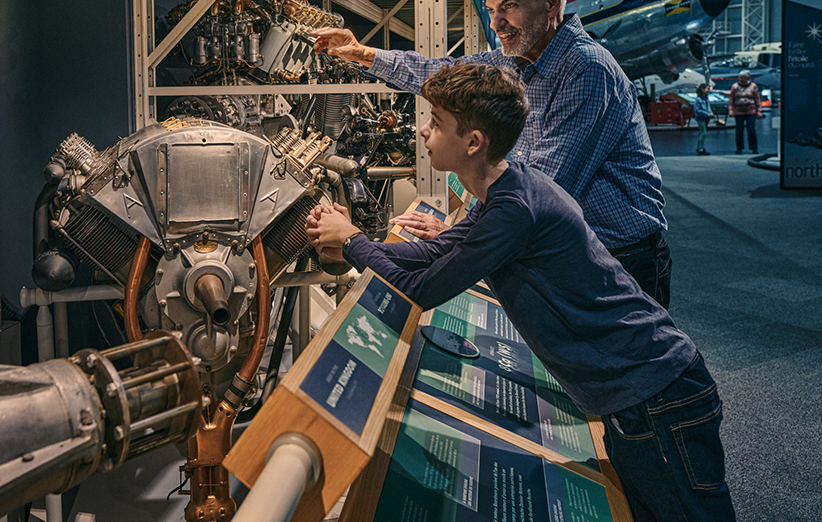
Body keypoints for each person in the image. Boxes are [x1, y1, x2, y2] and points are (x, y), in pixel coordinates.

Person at [306, 63, 735, 522]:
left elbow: (418, 290)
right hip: (641, 393)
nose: (423, 129)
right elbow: (433, 254)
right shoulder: (508, 189)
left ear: (473, 143)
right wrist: (354, 241)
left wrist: (351, 241)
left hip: (654, 396)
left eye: (437, 122)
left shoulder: (512, 211)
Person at [312, 0, 673, 308]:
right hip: (563, 246)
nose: (498, 22)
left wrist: (471, 239)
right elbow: (440, 72)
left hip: (622, 257)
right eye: (491, 10)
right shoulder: (514, 60)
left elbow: (541, 191)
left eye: (509, 6)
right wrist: (362, 53)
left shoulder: (587, 69)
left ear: (552, 3)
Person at [728, 69, 762, 154]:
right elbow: (731, 98)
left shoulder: (753, 86)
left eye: (742, 77)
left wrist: (759, 111)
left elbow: (757, 99)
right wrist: (730, 110)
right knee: (739, 130)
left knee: (751, 129)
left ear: (747, 78)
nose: (740, 79)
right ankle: (739, 148)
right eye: (740, 77)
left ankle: (754, 147)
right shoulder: (735, 86)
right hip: (738, 111)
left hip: (750, 111)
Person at [694, 83, 715, 155]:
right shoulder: (698, 99)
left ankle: (699, 147)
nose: (708, 90)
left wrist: (710, 112)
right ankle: (701, 149)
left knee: (702, 133)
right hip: (700, 117)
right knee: (703, 132)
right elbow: (697, 110)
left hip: (706, 117)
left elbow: (708, 107)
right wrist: (707, 113)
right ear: (702, 89)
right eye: (707, 89)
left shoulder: (706, 98)